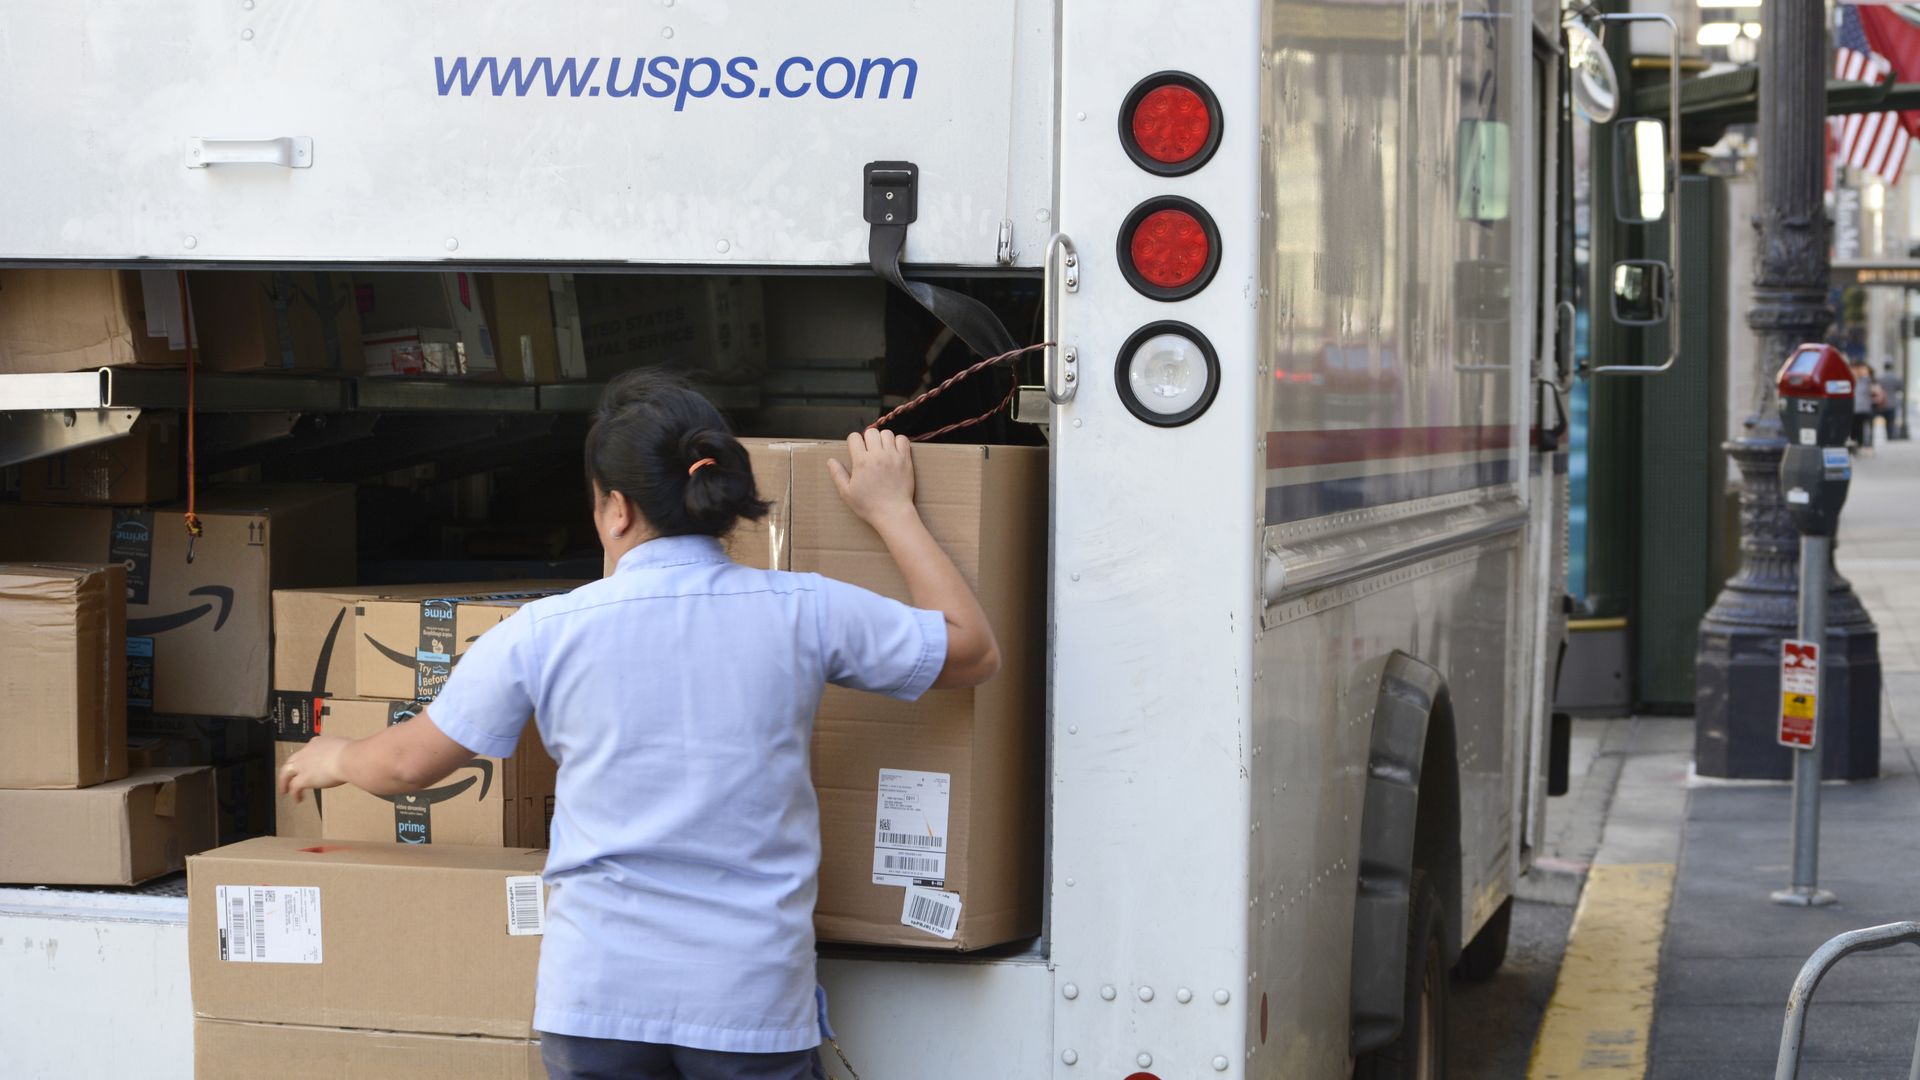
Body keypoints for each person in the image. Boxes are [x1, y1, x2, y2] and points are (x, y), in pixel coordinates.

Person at [278, 370, 1002, 1080]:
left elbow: (408, 765)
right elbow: (972, 650)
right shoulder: (801, 610)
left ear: (616, 510)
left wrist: (338, 755)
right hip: (745, 1003)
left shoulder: (543, 632)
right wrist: (890, 509)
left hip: (597, 1003)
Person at [1852, 361, 1876, 452]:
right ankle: (1856, 445)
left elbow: (1875, 390)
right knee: (1856, 429)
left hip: (1865, 408)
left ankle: (1866, 445)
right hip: (1854, 409)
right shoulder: (1853, 380)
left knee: (1866, 428)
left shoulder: (1868, 380)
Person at [1881, 361, 1907, 441]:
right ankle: (1890, 436)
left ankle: (1888, 435)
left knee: (1885, 420)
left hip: (1882, 403)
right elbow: (1901, 388)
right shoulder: (1895, 378)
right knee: (1891, 421)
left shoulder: (1880, 378)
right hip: (1892, 402)